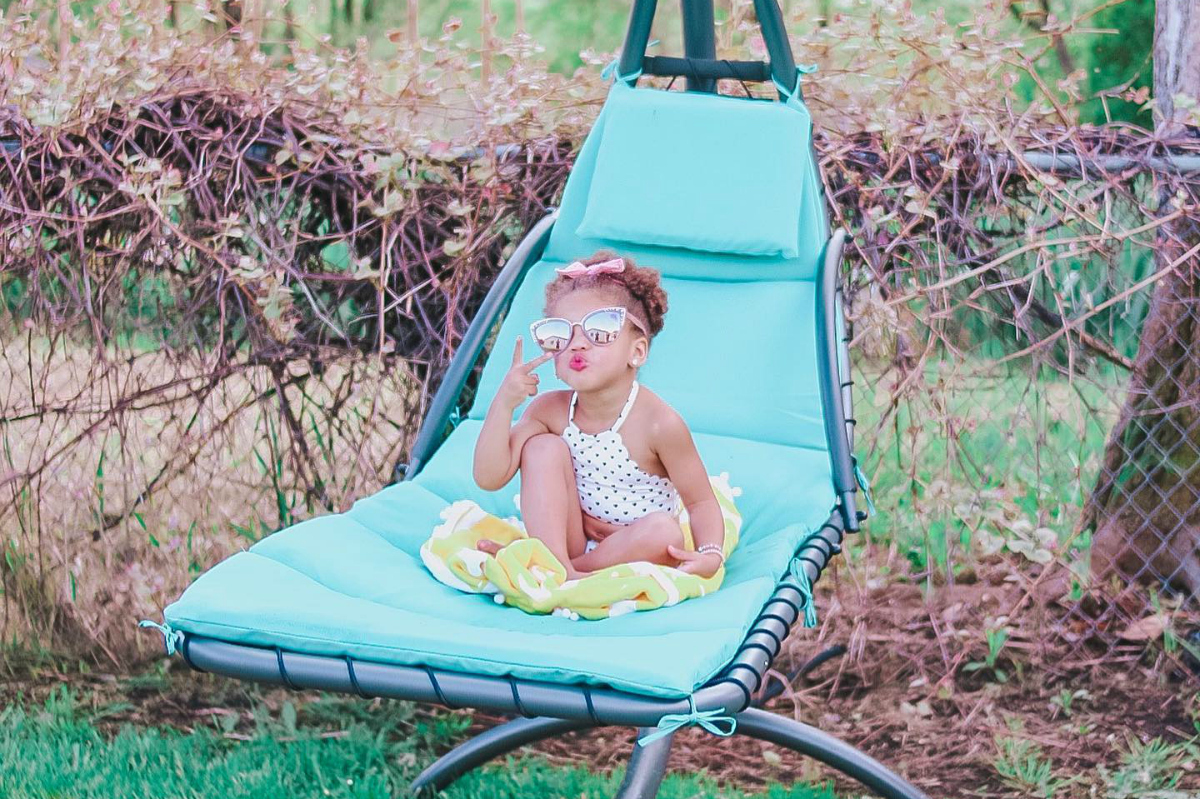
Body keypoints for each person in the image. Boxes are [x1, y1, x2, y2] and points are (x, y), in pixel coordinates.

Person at [471, 250, 728, 581]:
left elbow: (700, 502)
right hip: (572, 541)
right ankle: (559, 565)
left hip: (637, 546)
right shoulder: (548, 411)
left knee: (665, 533)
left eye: (601, 329)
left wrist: (710, 554)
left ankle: (564, 574)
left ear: (636, 352)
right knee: (542, 448)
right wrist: (504, 403)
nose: (577, 344)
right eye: (561, 333)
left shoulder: (659, 424)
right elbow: (488, 477)